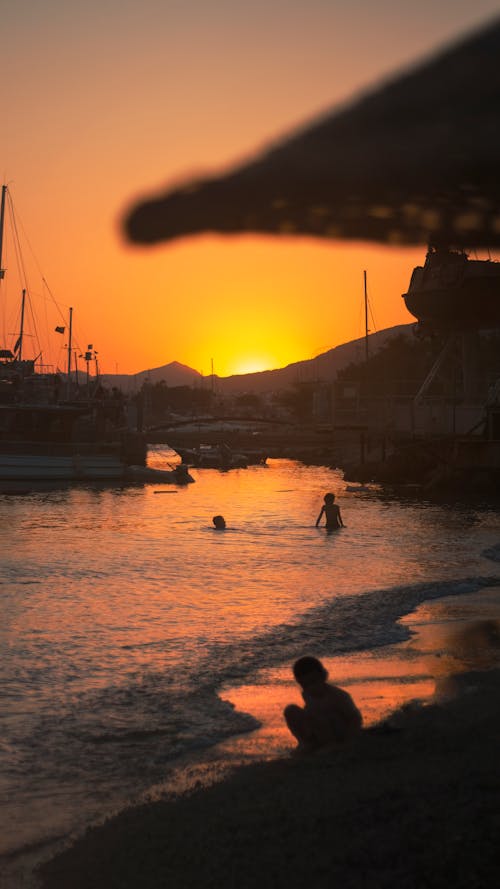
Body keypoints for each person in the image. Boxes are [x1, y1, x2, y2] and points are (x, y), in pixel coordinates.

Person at [284, 656, 362, 751]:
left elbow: (355, 718)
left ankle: (329, 746)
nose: (311, 688)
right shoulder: (307, 694)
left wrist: (348, 742)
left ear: (323, 677)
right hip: (319, 731)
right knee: (290, 710)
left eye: (314, 682)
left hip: (338, 733)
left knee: (318, 717)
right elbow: (311, 711)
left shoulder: (338, 695)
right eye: (306, 685)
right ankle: (305, 743)